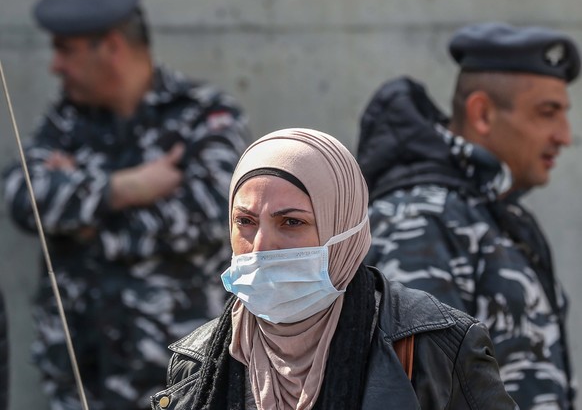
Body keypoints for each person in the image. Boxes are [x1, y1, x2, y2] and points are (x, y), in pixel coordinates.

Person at [2, 0, 250, 410]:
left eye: (65, 49)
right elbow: (22, 196)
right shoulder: (66, 121)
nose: (54, 66)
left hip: (178, 375)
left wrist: (81, 221)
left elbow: (212, 215)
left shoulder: (204, 116)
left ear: (111, 47)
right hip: (80, 373)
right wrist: (129, 186)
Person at [150, 128, 517, 410]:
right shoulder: (196, 364)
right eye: (245, 221)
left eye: (291, 222)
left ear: (343, 230)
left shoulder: (437, 348)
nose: (261, 245)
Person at [357, 22, 579, 409]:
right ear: (482, 114)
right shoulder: (422, 219)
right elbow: (417, 389)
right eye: (548, 113)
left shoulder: (491, 214)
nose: (564, 134)